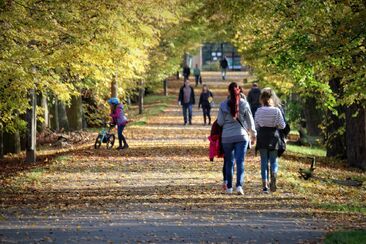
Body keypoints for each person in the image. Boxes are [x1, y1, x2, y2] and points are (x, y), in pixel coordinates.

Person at [217, 82, 256, 195]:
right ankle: (239, 186)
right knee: (240, 162)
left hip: (227, 137)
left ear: (228, 91)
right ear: (239, 90)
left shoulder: (223, 105)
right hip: (241, 136)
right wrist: (253, 134)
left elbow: (220, 122)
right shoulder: (244, 104)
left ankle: (229, 187)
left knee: (229, 162)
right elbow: (250, 121)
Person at [254, 88, 286, 193]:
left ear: (261, 99)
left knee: (264, 162)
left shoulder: (259, 111)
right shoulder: (276, 110)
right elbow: (283, 125)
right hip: (274, 136)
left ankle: (265, 186)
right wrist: (275, 124)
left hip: (262, 137)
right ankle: (274, 175)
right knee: (273, 160)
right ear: (271, 98)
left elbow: (256, 126)